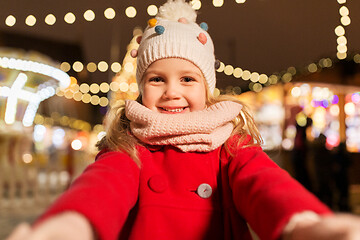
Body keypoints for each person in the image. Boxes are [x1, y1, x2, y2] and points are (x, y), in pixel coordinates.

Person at [6, 0, 360, 239]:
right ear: (141, 87)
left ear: (207, 88)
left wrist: (306, 224)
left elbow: (266, 185)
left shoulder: (230, 145)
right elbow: (102, 188)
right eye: (157, 79)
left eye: (187, 79)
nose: (172, 91)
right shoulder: (129, 146)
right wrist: (70, 225)